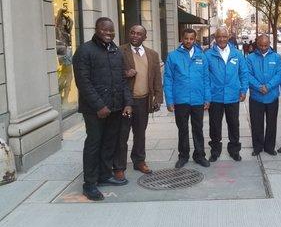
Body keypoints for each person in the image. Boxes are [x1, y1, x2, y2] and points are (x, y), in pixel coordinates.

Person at [72, 17, 133, 201]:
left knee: (109, 143)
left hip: (115, 108)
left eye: (111, 31)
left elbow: (122, 80)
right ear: (96, 29)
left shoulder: (116, 51)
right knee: (94, 144)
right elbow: (83, 83)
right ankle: (89, 184)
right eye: (104, 30)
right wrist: (99, 106)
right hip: (95, 110)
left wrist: (128, 102)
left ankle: (104, 175)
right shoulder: (84, 51)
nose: (108, 33)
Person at [111, 25, 163, 180]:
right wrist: (125, 74)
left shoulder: (152, 54)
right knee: (122, 135)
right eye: (132, 32)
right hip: (125, 102)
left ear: (144, 37)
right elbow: (111, 73)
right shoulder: (119, 51)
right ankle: (119, 166)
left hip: (143, 100)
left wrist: (158, 98)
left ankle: (139, 161)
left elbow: (156, 78)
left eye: (139, 34)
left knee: (140, 134)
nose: (135, 36)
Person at [164, 28, 211, 168]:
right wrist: (169, 100)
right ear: (182, 39)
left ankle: (199, 155)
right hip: (181, 100)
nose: (188, 41)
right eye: (186, 38)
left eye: (191, 39)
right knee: (182, 129)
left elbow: (206, 78)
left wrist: (207, 98)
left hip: (198, 99)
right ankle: (183, 156)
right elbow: (168, 79)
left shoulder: (202, 56)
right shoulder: (173, 56)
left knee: (198, 128)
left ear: (195, 39)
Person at [205, 27, 248, 162]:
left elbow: (244, 73)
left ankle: (234, 150)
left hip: (232, 96)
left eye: (224, 36)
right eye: (219, 37)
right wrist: (207, 96)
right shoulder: (208, 54)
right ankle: (215, 150)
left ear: (228, 37)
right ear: (215, 38)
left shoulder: (237, 54)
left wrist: (243, 90)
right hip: (215, 96)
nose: (222, 39)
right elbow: (204, 76)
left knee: (234, 124)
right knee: (215, 125)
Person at [246, 34, 281, 156]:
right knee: (256, 123)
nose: (263, 48)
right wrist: (258, 87)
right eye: (261, 45)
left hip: (271, 96)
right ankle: (257, 147)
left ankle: (269, 147)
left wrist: (268, 86)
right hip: (256, 97)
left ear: (269, 44)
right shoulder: (250, 58)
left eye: (266, 45)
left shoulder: (277, 57)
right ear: (257, 44)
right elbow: (248, 75)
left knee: (272, 123)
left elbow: (279, 74)